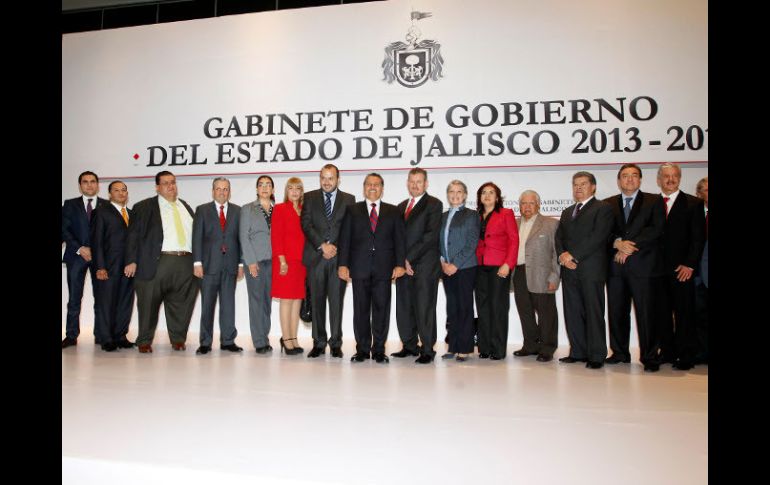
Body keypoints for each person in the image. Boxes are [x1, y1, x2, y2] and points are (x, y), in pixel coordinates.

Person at [125, 171, 198, 353]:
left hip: (185, 261)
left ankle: (178, 339)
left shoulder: (186, 207)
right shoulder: (143, 207)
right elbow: (132, 237)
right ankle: (144, 341)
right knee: (148, 303)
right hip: (157, 262)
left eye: (173, 182)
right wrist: (131, 261)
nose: (170, 186)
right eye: (165, 183)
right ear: (157, 187)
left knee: (182, 304)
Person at [338, 173, 406, 363]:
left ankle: (378, 350)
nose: (373, 187)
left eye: (376, 184)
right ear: (364, 188)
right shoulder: (352, 210)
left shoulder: (393, 212)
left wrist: (400, 264)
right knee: (360, 311)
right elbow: (345, 239)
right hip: (358, 269)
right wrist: (343, 264)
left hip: (384, 269)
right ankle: (362, 349)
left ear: (382, 188)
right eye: (369, 184)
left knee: (381, 310)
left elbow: (400, 241)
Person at [604, 164, 665, 372]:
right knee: (616, 312)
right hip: (616, 270)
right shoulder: (608, 204)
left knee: (647, 314)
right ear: (619, 180)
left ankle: (650, 356)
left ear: (640, 180)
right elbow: (605, 232)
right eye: (625, 176)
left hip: (644, 268)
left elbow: (656, 230)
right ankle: (620, 353)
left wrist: (628, 246)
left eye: (634, 176)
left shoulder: (653, 200)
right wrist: (616, 243)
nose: (629, 179)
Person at [555, 171, 613, 369]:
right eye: (575, 184)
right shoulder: (567, 211)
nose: (578, 188)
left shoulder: (603, 208)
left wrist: (573, 255)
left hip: (590, 269)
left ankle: (596, 354)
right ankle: (578, 351)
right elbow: (559, 238)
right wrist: (562, 255)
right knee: (573, 312)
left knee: (593, 312)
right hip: (569, 270)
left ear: (593, 187)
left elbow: (598, 237)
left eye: (583, 184)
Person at [300, 164, 356, 359]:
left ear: (338, 180)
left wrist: (335, 247)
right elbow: (305, 224)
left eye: (331, 178)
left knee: (336, 302)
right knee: (316, 302)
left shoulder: (349, 199)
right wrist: (322, 246)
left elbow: (349, 229)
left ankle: (336, 343)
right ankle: (319, 342)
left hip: (339, 260)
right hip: (316, 258)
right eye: (323, 177)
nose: (326, 181)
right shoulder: (309, 197)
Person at [656, 163, 706, 370]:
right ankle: (667, 353)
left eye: (674, 176)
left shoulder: (693, 204)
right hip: (657, 270)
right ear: (659, 179)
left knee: (685, 314)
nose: (670, 179)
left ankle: (686, 355)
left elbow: (698, 239)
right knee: (662, 313)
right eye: (666, 176)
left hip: (682, 270)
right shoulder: (653, 203)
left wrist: (690, 264)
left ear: (680, 178)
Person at [393, 168, 443, 364]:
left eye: (419, 181)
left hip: (424, 266)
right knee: (404, 307)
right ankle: (409, 346)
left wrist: (408, 259)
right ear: (407, 183)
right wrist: (400, 261)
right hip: (403, 266)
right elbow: (395, 237)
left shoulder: (434, 204)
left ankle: (428, 349)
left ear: (426, 184)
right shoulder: (400, 206)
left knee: (424, 308)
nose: (415, 185)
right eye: (412, 181)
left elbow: (429, 237)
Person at [192, 177, 244, 355]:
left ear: (229, 191)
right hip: (208, 267)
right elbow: (197, 238)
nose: (222, 192)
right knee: (207, 306)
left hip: (230, 266)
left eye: (226, 189)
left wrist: (240, 263)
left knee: (228, 305)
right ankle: (205, 342)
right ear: (213, 191)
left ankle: (228, 341)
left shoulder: (238, 211)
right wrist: (197, 262)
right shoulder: (202, 210)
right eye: (219, 189)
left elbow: (240, 240)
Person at [511, 190, 560, 363]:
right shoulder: (513, 223)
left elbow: (556, 253)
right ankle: (530, 345)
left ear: (538, 204)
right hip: (518, 273)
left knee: (546, 313)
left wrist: (554, 276)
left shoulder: (550, 224)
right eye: (524, 203)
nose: (527, 207)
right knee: (525, 312)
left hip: (542, 274)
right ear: (519, 206)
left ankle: (548, 347)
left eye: (531, 203)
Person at [61, 171, 109, 348]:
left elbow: (110, 234)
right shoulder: (69, 204)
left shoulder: (107, 205)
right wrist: (81, 249)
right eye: (85, 182)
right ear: (80, 185)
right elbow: (64, 230)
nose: (89, 185)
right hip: (76, 257)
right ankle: (71, 335)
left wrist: (96, 251)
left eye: (93, 181)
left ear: (98, 184)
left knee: (101, 298)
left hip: (100, 259)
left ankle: (100, 334)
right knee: (74, 298)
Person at [474, 182, 519, 360]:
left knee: (498, 308)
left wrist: (508, 264)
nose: (487, 195)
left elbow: (514, 240)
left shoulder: (506, 214)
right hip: (479, 266)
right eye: (484, 192)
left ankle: (498, 349)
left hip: (499, 267)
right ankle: (484, 348)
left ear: (497, 197)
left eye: (491, 192)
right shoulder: (475, 215)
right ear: (479, 197)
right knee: (483, 308)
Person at [89, 180, 135, 352]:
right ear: (109, 194)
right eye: (117, 190)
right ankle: (106, 338)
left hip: (129, 268)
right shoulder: (101, 212)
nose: (121, 193)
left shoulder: (131, 214)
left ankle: (120, 336)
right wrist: (100, 266)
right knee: (106, 303)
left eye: (124, 190)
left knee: (125, 302)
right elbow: (97, 241)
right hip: (108, 267)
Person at [439, 180, 479, 362]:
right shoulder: (443, 215)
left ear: (465, 195)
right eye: (452, 191)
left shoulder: (471, 215)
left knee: (464, 307)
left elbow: (472, 243)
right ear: (448, 195)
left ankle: (465, 347)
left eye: (459, 191)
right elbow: (439, 243)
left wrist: (455, 264)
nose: (455, 195)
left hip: (464, 268)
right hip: (446, 269)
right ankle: (453, 346)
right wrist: (443, 262)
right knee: (452, 308)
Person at [239, 175, 275, 354]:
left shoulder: (279, 209)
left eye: (268, 185)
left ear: (273, 190)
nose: (264, 188)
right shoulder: (248, 209)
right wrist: (251, 261)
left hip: (273, 261)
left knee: (267, 302)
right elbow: (243, 236)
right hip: (255, 261)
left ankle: (265, 336)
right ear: (256, 189)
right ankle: (259, 341)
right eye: (261, 185)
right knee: (256, 301)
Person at [271, 177, 307, 355]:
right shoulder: (279, 208)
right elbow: (276, 237)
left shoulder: (304, 210)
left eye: (298, 188)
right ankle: (286, 339)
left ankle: (293, 338)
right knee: (286, 301)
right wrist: (282, 260)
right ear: (286, 191)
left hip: (302, 263)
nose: (294, 191)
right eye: (291, 188)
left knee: (297, 301)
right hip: (285, 262)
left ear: (301, 192)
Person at [693, 176, 708, 365]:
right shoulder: (693, 213)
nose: (707, 193)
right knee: (699, 316)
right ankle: (702, 352)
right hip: (697, 275)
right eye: (704, 190)